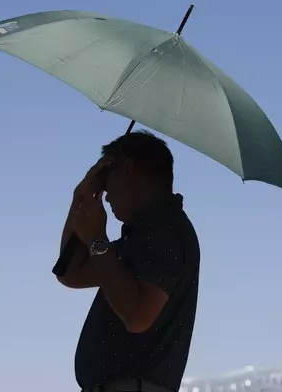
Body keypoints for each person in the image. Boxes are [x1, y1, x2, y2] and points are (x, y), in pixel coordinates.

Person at [56, 130, 200, 392]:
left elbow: (138, 315)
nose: (106, 194)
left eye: (106, 179)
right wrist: (81, 199)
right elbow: (70, 272)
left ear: (127, 168)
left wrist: (98, 239)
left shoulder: (165, 231)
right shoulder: (142, 236)